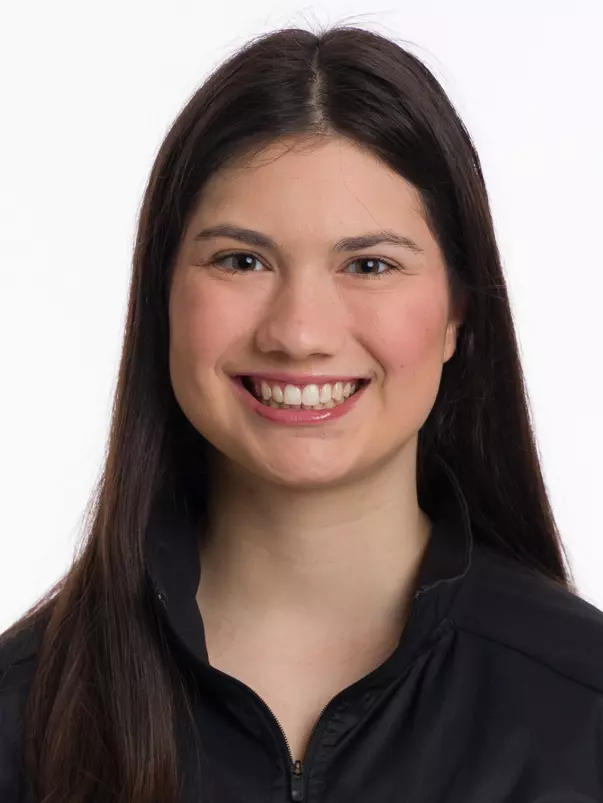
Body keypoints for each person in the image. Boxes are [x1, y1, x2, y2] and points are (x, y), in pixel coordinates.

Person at [1, 23, 602, 803]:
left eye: (369, 264)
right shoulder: (20, 717)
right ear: (163, 298)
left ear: (458, 308)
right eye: (241, 260)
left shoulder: (581, 707)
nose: (299, 332)